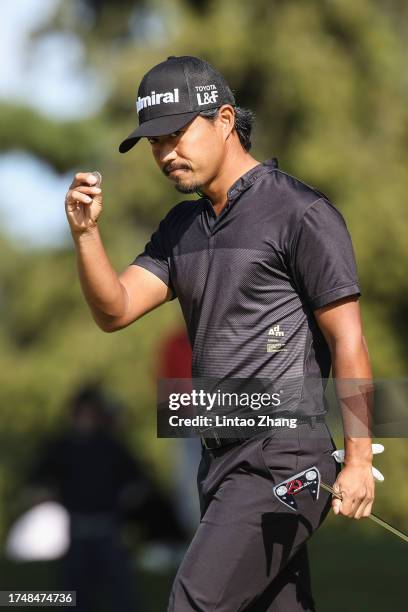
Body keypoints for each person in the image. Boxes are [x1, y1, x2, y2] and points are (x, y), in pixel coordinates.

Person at [64, 55, 375, 611]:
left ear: (225, 119)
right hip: (220, 460)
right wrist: (86, 235)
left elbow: (348, 339)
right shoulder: (181, 228)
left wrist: (355, 460)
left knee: (193, 603)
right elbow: (114, 310)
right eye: (155, 143)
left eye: (176, 134)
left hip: (283, 459)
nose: (166, 154)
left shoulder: (300, 212)